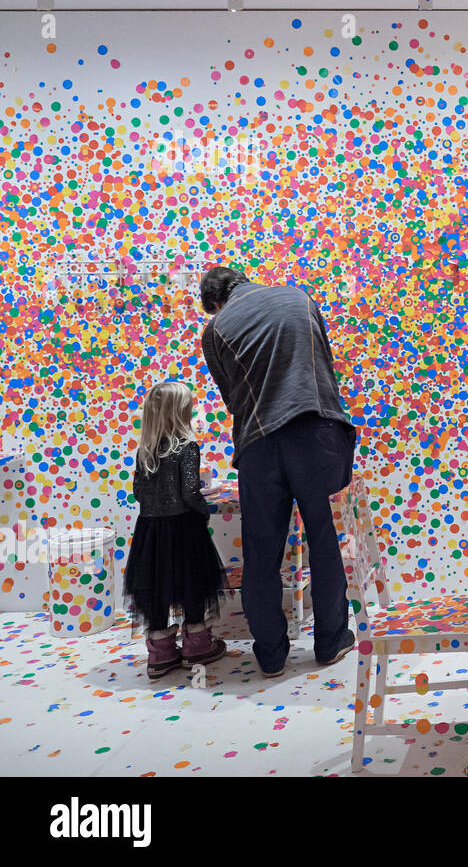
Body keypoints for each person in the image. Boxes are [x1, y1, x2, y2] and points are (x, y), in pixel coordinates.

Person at [199, 265, 357, 677]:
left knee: (262, 552)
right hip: (316, 431)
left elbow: (233, 400)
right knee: (326, 541)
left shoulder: (216, 330)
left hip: (259, 444)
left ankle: (270, 654)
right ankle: (331, 642)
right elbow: (322, 363)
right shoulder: (298, 297)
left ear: (215, 302)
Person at [123, 380, 229, 681]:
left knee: (156, 587)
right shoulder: (187, 448)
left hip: (150, 531)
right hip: (184, 529)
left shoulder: (146, 450)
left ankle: (160, 654)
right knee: (191, 583)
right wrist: (206, 509)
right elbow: (190, 493)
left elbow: (138, 493)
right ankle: (197, 646)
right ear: (181, 413)